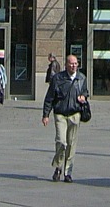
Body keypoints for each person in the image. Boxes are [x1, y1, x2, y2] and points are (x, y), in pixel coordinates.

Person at [42, 53, 88, 183]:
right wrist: (45, 114)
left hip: (75, 114)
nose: (74, 66)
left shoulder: (82, 78)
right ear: (66, 64)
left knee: (71, 144)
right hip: (60, 114)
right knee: (61, 142)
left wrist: (83, 97)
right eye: (71, 63)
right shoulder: (58, 78)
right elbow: (49, 97)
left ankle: (68, 172)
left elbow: (85, 92)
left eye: (75, 64)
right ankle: (58, 167)